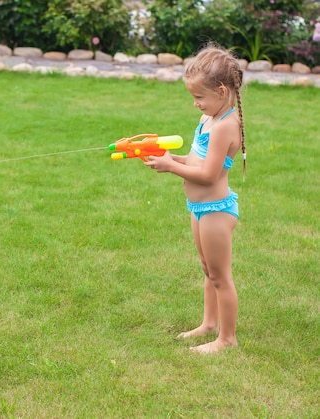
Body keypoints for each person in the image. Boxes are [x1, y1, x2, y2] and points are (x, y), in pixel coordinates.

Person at [144, 45, 246, 354]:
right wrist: (171, 158)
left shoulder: (225, 126)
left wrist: (170, 167)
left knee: (220, 276)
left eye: (200, 97)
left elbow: (209, 176)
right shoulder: (208, 120)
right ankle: (209, 324)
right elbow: (195, 159)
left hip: (216, 210)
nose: (195, 103)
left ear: (221, 90)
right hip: (199, 208)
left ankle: (227, 340)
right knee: (207, 269)